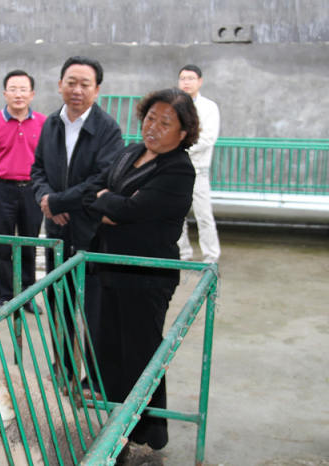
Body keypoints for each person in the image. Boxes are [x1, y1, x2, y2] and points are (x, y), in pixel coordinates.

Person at [83, 88, 199, 452]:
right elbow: (99, 192)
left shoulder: (178, 169)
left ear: (183, 133)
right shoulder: (131, 152)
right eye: (150, 118)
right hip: (106, 267)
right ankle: (115, 429)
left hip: (145, 275)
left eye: (165, 123)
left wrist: (110, 203)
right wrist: (109, 204)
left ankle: (147, 433)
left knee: (140, 355)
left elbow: (129, 211)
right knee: (106, 350)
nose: (153, 128)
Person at [30, 56, 124, 382]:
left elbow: (104, 179)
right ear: (60, 85)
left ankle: (94, 379)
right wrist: (46, 199)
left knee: (94, 308)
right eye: (71, 82)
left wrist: (59, 201)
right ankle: (65, 369)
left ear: (97, 90)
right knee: (59, 301)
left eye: (85, 84)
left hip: (93, 232)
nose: (77, 90)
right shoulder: (51, 124)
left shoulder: (108, 129)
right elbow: (37, 169)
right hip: (57, 230)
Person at [0, 70, 46, 313]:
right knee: (2, 246)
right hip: (1, 191)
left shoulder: (43, 123)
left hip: (32, 191)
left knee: (29, 245)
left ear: (32, 94)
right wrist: (0, 176)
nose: (18, 94)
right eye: (13, 89)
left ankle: (27, 296)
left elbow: (46, 159)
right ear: (5, 93)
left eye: (23, 89)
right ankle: (5, 298)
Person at [176, 64, 221, 263]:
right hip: (176, 169)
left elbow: (207, 139)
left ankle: (211, 256)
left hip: (198, 169)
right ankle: (182, 253)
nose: (186, 82)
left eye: (191, 78)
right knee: (177, 214)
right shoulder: (174, 105)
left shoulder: (209, 107)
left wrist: (179, 148)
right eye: (183, 78)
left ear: (200, 82)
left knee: (204, 216)